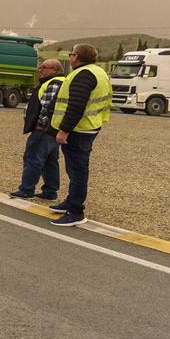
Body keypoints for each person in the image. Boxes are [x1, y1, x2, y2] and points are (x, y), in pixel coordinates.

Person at [47, 43, 112, 227]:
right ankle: (71, 201)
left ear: (76, 57)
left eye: (71, 54)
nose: (70, 57)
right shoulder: (99, 72)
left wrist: (64, 130)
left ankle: (76, 211)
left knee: (77, 170)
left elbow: (76, 105)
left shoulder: (83, 75)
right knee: (76, 168)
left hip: (78, 129)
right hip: (91, 126)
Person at [9, 58, 65, 200]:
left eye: (43, 67)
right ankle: (50, 191)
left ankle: (27, 189)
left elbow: (48, 107)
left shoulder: (54, 83)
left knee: (33, 158)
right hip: (53, 130)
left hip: (44, 130)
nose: (40, 70)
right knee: (50, 160)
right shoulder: (59, 82)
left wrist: (41, 125)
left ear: (55, 70)